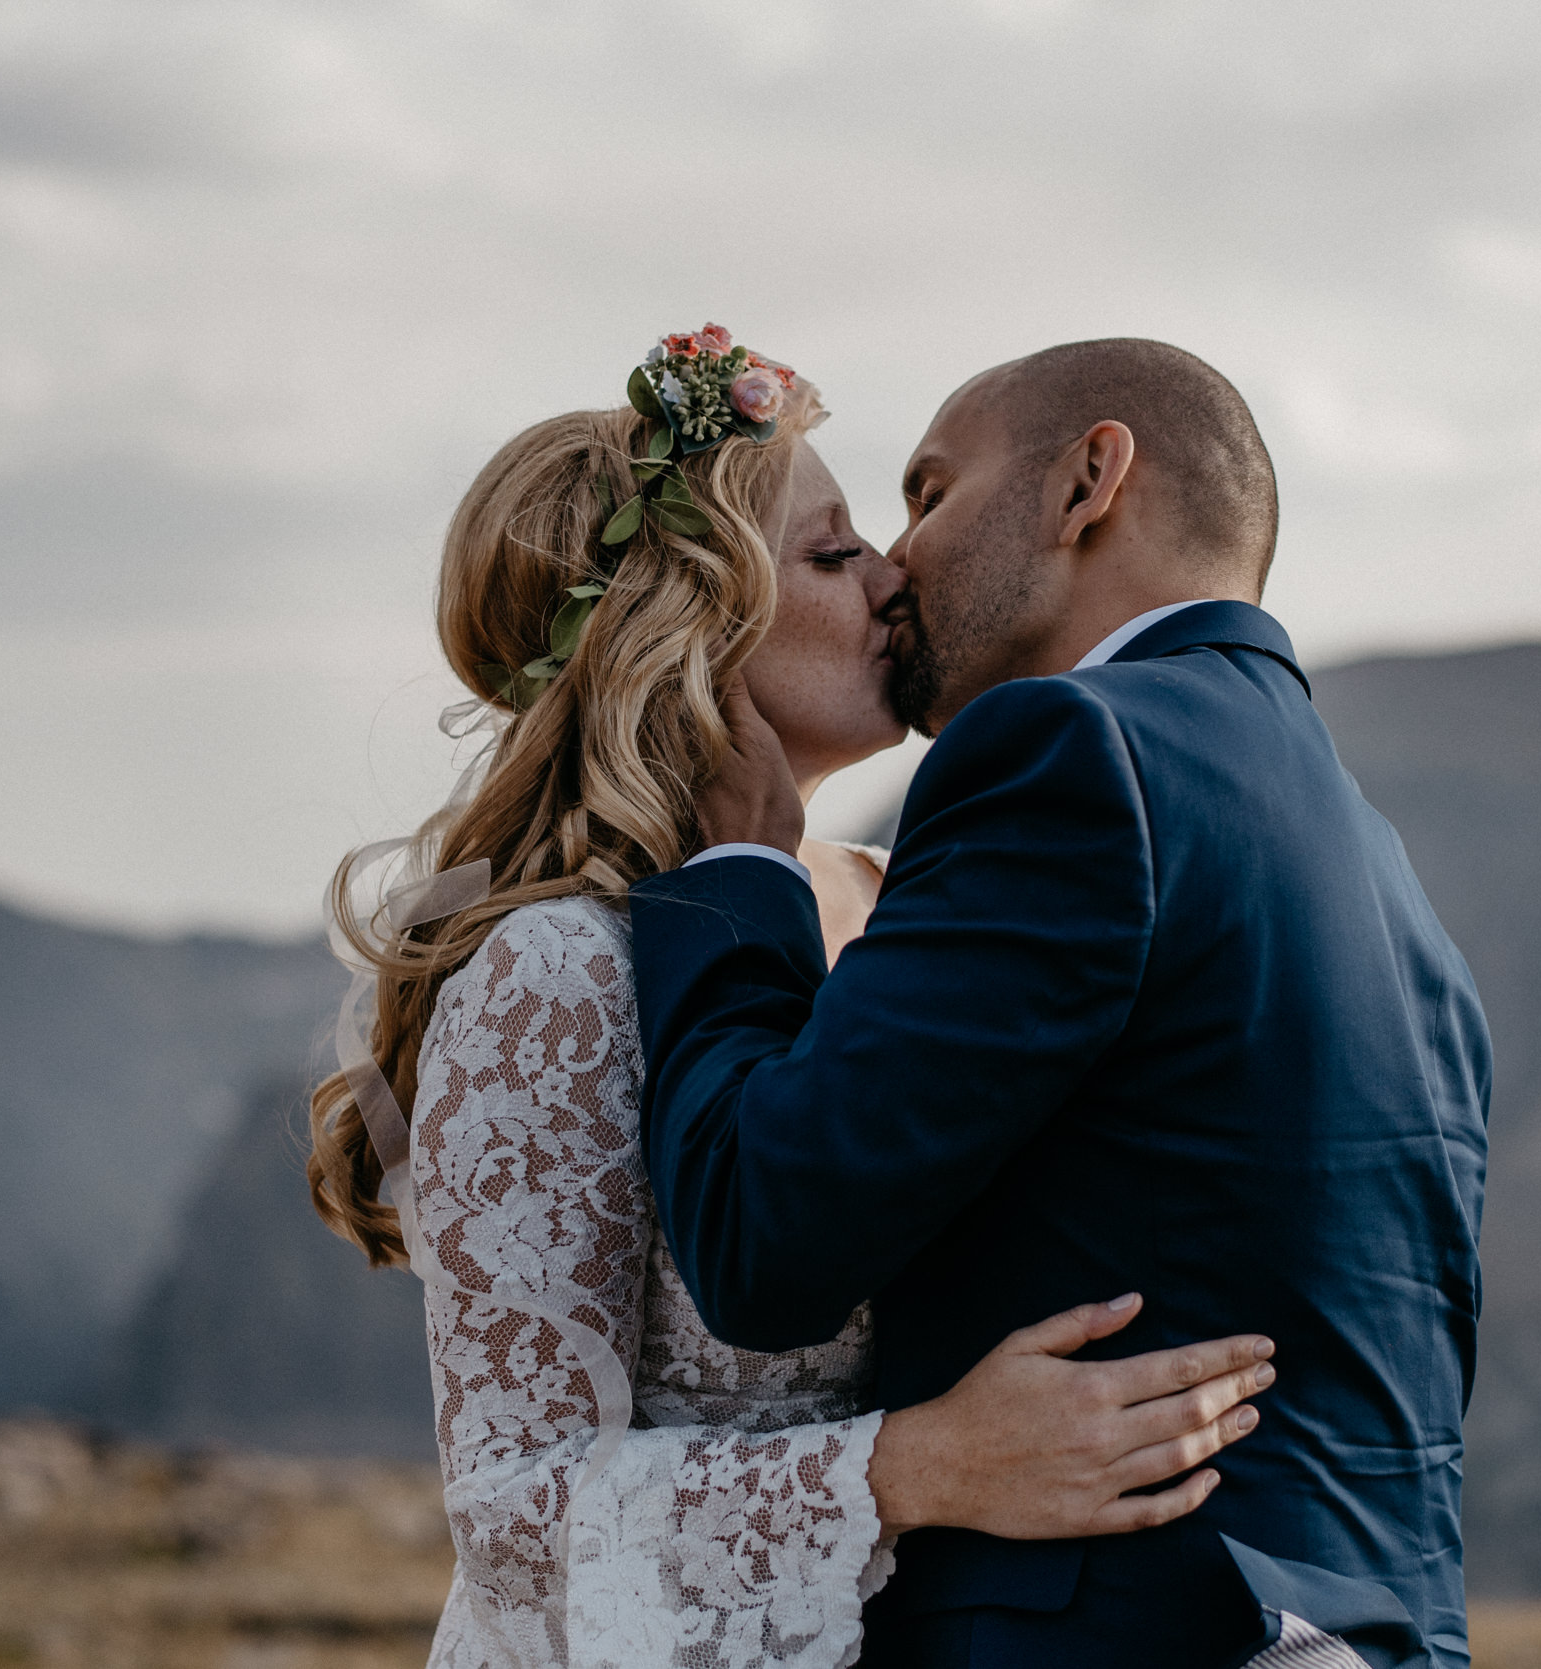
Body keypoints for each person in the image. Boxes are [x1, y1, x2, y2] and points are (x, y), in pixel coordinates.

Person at [303, 326, 1278, 1669]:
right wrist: (918, 1469)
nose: (898, 577)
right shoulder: (554, 972)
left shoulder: (910, 898)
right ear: (682, 626)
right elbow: (515, 1511)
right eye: (832, 555)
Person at [628, 339, 1492, 1669]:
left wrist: (738, 871)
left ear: (1091, 479)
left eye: (930, 493)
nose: (897, 561)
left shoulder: (1072, 753)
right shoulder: (1389, 877)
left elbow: (762, 1231)